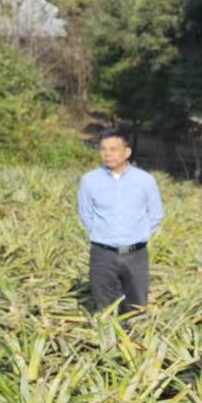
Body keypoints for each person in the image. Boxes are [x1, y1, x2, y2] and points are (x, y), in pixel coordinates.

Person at [77, 131, 164, 312]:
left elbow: (156, 215)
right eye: (103, 149)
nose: (107, 154)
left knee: (136, 307)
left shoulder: (145, 180)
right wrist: (103, 235)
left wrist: (137, 235)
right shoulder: (89, 181)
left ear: (127, 152)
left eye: (113, 149)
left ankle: (133, 331)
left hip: (136, 255)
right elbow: (86, 215)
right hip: (102, 254)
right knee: (105, 308)